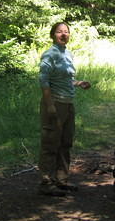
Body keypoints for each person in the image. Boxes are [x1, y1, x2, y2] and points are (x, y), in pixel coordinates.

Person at [38, 22, 92, 196]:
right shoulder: (49, 54)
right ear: (53, 35)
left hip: (68, 104)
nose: (63, 34)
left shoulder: (67, 54)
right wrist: (50, 106)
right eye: (59, 32)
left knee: (65, 143)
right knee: (50, 143)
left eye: (66, 32)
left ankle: (61, 180)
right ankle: (46, 183)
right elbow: (44, 82)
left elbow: (66, 79)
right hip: (55, 103)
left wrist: (78, 83)